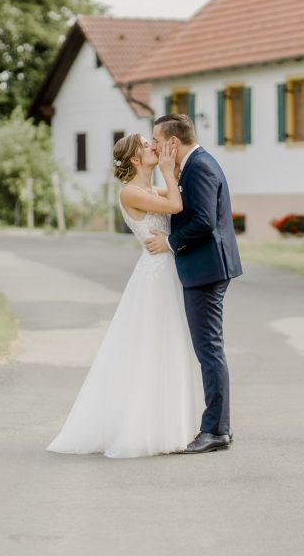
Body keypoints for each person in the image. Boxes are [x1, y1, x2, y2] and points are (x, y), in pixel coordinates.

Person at [47, 134, 203, 458]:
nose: (153, 147)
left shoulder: (149, 189)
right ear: (134, 159)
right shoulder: (131, 192)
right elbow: (175, 205)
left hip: (166, 271)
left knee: (168, 344)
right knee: (150, 346)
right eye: (146, 145)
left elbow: (180, 200)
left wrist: (171, 169)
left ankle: (170, 423)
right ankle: (141, 428)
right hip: (154, 275)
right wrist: (168, 170)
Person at [145, 114, 242, 454]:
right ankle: (219, 425)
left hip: (207, 270)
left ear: (172, 142)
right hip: (205, 268)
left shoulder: (199, 166)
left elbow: (203, 220)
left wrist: (170, 244)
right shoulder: (190, 166)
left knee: (209, 350)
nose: (154, 145)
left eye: (156, 139)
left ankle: (216, 429)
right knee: (209, 349)